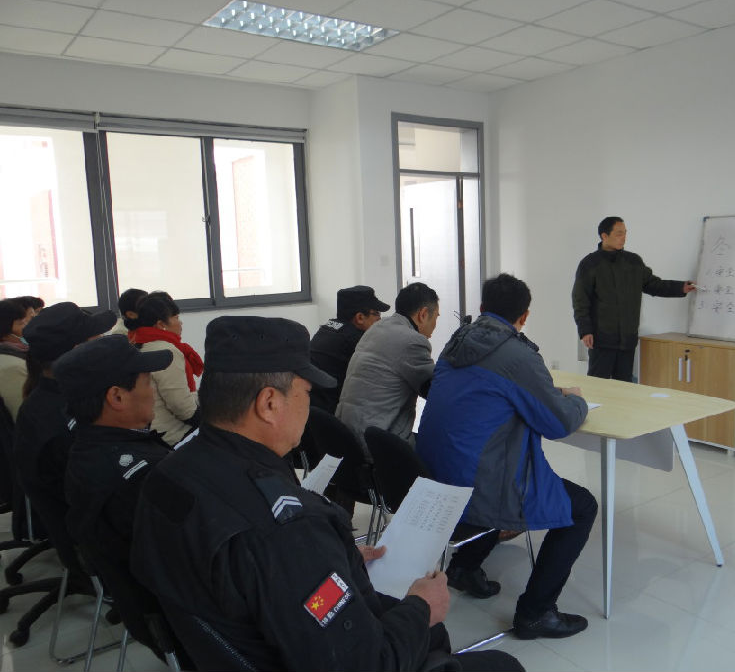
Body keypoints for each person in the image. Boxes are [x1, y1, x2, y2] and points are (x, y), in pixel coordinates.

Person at [130, 316, 522, 672]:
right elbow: (366, 664)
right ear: (269, 403)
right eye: (305, 392)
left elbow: (258, 580)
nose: (310, 403)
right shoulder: (287, 531)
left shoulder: (168, 473)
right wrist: (423, 607)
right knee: (502, 666)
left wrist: (334, 561)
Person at [418, 273, 597, 640]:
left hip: (435, 474)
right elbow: (559, 423)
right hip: (478, 485)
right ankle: (536, 613)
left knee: (496, 471)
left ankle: (464, 568)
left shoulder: (457, 341)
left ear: (482, 308)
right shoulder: (518, 355)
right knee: (582, 507)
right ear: (524, 316)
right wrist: (577, 400)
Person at [54, 334, 191, 663]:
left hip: (145, 615)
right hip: (190, 630)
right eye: (147, 382)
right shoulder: (141, 478)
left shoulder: (85, 451)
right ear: (116, 396)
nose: (152, 391)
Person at [13, 302, 116, 581]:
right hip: (101, 545)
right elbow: (107, 503)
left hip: (75, 531)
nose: (104, 346)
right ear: (78, 351)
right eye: (98, 340)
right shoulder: (69, 423)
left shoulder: (44, 401)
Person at [571, 216, 696, 381]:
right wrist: (585, 330)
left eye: (625, 233)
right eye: (619, 234)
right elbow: (580, 300)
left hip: (627, 340)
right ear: (604, 236)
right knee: (597, 385)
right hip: (601, 339)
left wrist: (681, 287)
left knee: (624, 386)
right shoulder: (590, 264)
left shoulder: (633, 262)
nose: (623, 237)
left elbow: (654, 284)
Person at [337, 282, 439, 444]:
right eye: (436, 317)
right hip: (378, 443)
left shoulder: (377, 327)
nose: (435, 325)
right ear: (423, 314)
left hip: (349, 435)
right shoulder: (412, 341)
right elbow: (435, 391)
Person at [131, 291, 202, 446]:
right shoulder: (167, 351)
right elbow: (182, 408)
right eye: (176, 318)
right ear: (161, 324)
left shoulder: (138, 345)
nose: (180, 323)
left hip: (149, 432)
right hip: (171, 436)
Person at [309, 285, 390, 414]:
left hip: (311, 407)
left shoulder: (327, 328)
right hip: (329, 412)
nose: (380, 319)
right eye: (376, 314)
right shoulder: (357, 342)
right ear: (360, 318)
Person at [0, 299, 30, 419]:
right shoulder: (11, 367)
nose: (26, 327)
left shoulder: (19, 352)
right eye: (21, 323)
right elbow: (20, 412)